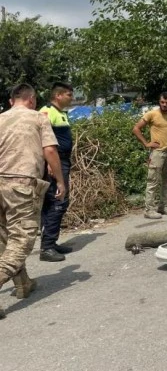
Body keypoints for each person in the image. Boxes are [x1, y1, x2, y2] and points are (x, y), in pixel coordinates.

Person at [0, 84, 65, 319]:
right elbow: (50, 151)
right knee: (22, 240)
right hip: (21, 183)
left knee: (5, 237)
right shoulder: (38, 118)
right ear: (32, 100)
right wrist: (60, 181)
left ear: (11, 101)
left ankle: (23, 283)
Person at [38, 82, 75, 262]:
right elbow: (41, 141)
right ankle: (47, 247)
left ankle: (51, 243)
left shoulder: (60, 113)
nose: (72, 97)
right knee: (58, 201)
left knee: (54, 202)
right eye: (69, 94)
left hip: (63, 161)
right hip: (56, 162)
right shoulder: (47, 112)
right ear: (58, 95)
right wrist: (49, 164)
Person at [132, 92, 167, 220]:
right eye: (162, 102)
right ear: (159, 102)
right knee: (153, 181)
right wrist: (146, 143)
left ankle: (163, 206)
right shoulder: (152, 114)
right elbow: (136, 128)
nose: (164, 105)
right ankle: (149, 210)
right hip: (157, 152)